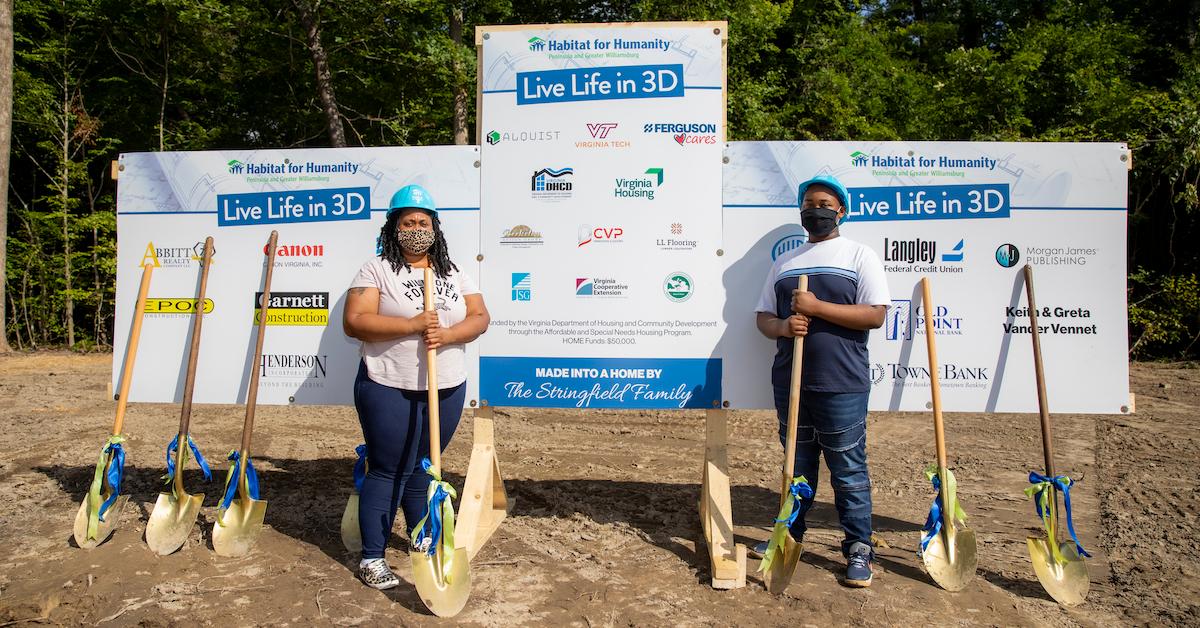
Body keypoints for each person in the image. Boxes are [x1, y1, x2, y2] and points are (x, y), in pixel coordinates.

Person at [342, 184, 490, 589]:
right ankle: (372, 557)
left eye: (423, 222)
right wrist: (410, 325)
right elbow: (354, 321)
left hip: (446, 384)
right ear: (394, 226)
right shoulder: (375, 270)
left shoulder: (453, 271)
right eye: (408, 221)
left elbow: (479, 316)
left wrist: (450, 333)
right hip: (389, 382)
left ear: (435, 227)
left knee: (425, 467)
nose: (416, 228)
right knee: (389, 468)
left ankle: (422, 539)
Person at [751, 174, 889, 587]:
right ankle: (789, 534)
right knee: (797, 466)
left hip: (841, 382)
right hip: (790, 380)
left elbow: (876, 315)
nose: (818, 210)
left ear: (841, 210)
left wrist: (816, 306)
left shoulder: (859, 256)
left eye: (826, 204)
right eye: (810, 203)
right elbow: (762, 318)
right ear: (801, 210)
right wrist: (783, 326)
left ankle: (859, 548)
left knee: (848, 470)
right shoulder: (784, 262)